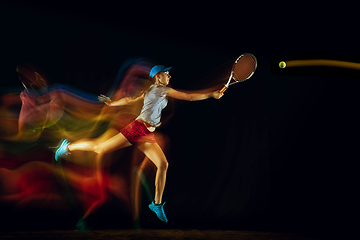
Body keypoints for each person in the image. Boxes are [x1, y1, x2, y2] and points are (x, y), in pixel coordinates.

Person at [55, 65, 224, 225]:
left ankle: (156, 204)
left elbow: (130, 100)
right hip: (137, 129)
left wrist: (113, 103)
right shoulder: (161, 89)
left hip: (146, 133)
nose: (169, 75)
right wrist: (211, 94)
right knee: (100, 149)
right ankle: (67, 147)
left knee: (163, 165)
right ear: (158, 76)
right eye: (166, 73)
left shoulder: (150, 90)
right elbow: (189, 96)